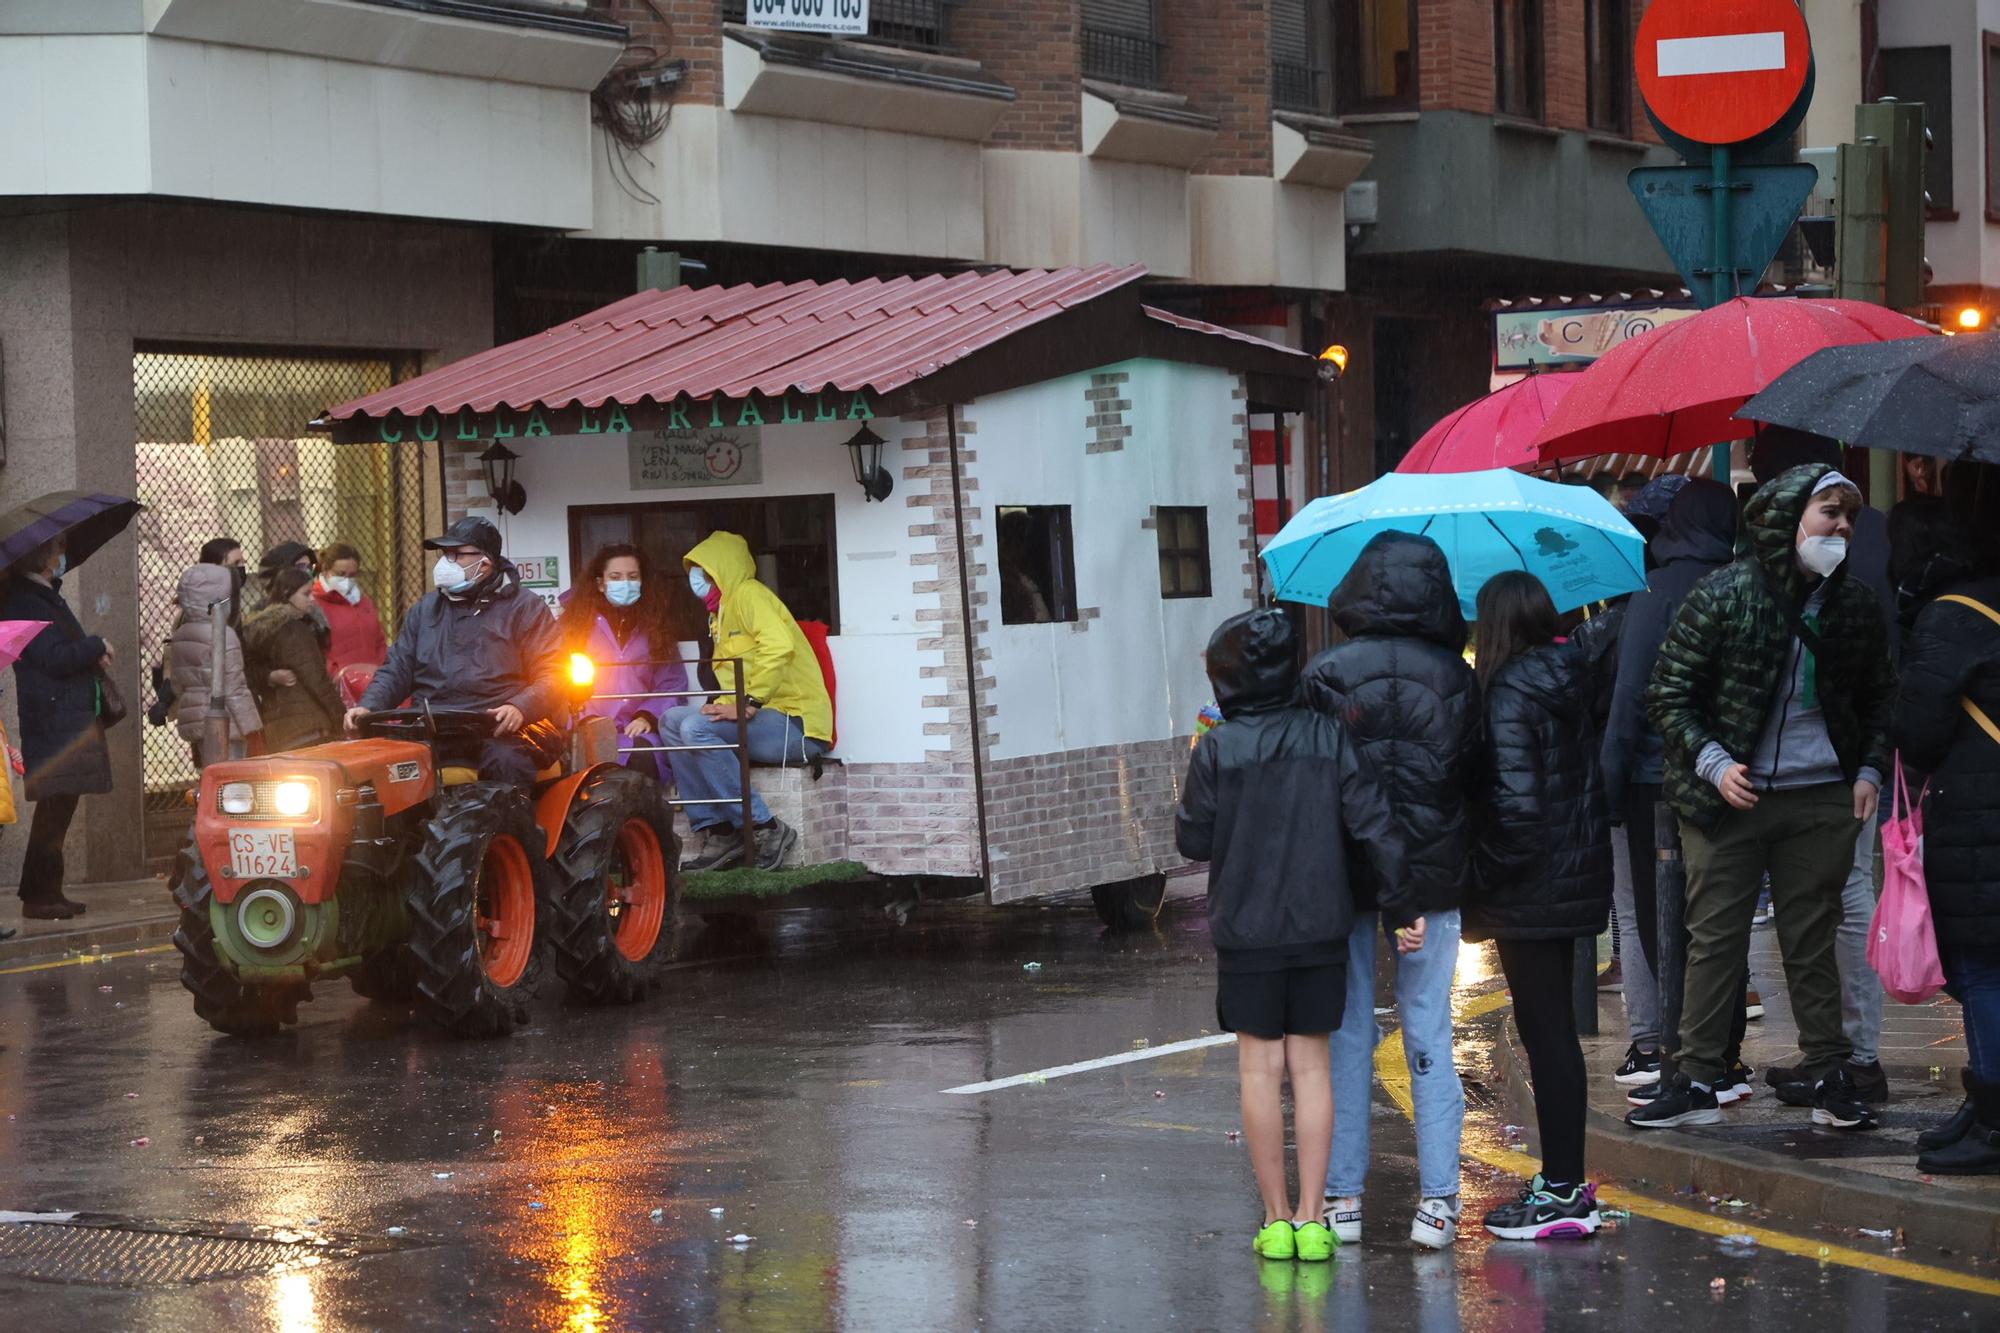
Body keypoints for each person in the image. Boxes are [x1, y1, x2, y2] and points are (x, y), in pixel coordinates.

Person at [1633, 465, 1896, 1133]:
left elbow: (1877, 699)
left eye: (1850, 517)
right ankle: (1694, 1074)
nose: (1841, 526)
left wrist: (1867, 768)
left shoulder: (1855, 605)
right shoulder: (1723, 595)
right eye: (1829, 511)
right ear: (1787, 516)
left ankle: (1830, 1069)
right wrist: (1716, 764)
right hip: (1730, 799)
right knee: (1715, 937)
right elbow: (1668, 693)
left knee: (1812, 936)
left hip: (1820, 797)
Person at [1175, 607, 1420, 1263]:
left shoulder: (1220, 745)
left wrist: (1197, 759)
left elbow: (1192, 838)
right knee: (1313, 1070)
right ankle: (1315, 1219)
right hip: (1318, 926)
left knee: (1260, 1071)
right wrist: (1406, 900)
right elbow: (1373, 819)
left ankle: (1276, 1219)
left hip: (1247, 932)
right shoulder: (1327, 735)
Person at [1299, 531, 1479, 1249]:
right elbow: (1472, 777)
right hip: (1431, 877)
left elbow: (1315, 778)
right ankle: (1437, 1202)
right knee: (1428, 1025)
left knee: (1344, 1028)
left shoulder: (1324, 673)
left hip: (1342, 873)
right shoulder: (1457, 677)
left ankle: (1343, 1195)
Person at [1466, 572, 1613, 1239]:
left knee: (1546, 1034)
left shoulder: (1507, 694)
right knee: (1554, 1035)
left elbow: (1518, 812)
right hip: (1570, 878)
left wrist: (1479, 875)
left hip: (1527, 890)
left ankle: (1560, 1191)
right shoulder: (1571, 678)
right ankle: (1563, 1181)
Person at [1598, 479, 1741, 1096]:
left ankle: (1686, 1060)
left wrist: (1610, 780)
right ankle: (1725, 1056)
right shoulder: (1742, 586)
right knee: (1719, 918)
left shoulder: (1655, 592)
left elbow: (1631, 694)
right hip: (1731, 780)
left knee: (1663, 923)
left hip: (1655, 782)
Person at [1889, 497, 2000, 1174]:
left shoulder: (1951, 614)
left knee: (1981, 969)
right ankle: (1982, 1103)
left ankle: (1991, 1118)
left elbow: (1919, 731)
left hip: (1977, 820)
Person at [347, 517, 566, 788]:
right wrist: (368, 706)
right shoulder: (425, 610)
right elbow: (397, 668)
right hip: (433, 729)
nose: (445, 563)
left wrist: (519, 707)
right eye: (445, 554)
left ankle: (511, 831)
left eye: (456, 555)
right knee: (376, 769)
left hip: (504, 730)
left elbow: (555, 673)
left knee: (506, 761)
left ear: (484, 563)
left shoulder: (525, 608)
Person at [665, 532, 831, 872]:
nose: (697, 580)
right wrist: (723, 705)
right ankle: (719, 829)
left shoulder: (749, 595)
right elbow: (733, 676)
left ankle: (765, 827)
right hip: (761, 719)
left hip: (796, 724)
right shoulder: (719, 614)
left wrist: (749, 703)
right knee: (671, 720)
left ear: (722, 571)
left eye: (705, 573)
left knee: (695, 728)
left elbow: (778, 647)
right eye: (695, 573)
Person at [1, 539, 116, 920]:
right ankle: (39, 896)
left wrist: (89, 649)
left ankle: (46, 891)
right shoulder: (27, 600)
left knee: (58, 808)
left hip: (63, 716)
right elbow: (51, 657)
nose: (61, 557)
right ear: (44, 559)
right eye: (58, 550)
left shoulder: (46, 595)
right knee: (54, 809)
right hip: (54, 718)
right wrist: (94, 644)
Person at [558, 544, 690, 786]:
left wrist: (646, 717)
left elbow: (673, 685)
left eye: (632, 577)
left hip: (638, 732)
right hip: (585, 729)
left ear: (642, 581)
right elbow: (557, 681)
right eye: (616, 577)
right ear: (600, 583)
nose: (625, 583)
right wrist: (583, 719)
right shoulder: (574, 627)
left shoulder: (656, 628)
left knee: (643, 760)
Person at [169, 562, 264, 767]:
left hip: (197, 719)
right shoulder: (224, 634)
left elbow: (177, 684)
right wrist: (251, 725)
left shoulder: (181, 635)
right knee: (232, 777)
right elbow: (234, 686)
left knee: (212, 774)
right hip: (226, 721)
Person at [242, 567, 345, 752]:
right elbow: (317, 679)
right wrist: (341, 718)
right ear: (287, 594)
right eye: (306, 594)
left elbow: (248, 672)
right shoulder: (293, 630)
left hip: (277, 727)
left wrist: (268, 677)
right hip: (308, 723)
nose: (312, 600)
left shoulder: (261, 631)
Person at [312, 542, 389, 678]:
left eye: (352, 575)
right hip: (337, 684)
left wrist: (382, 672)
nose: (346, 580)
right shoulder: (314, 604)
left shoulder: (364, 602)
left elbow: (379, 642)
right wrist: (335, 675)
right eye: (340, 574)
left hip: (370, 682)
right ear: (325, 570)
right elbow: (314, 651)